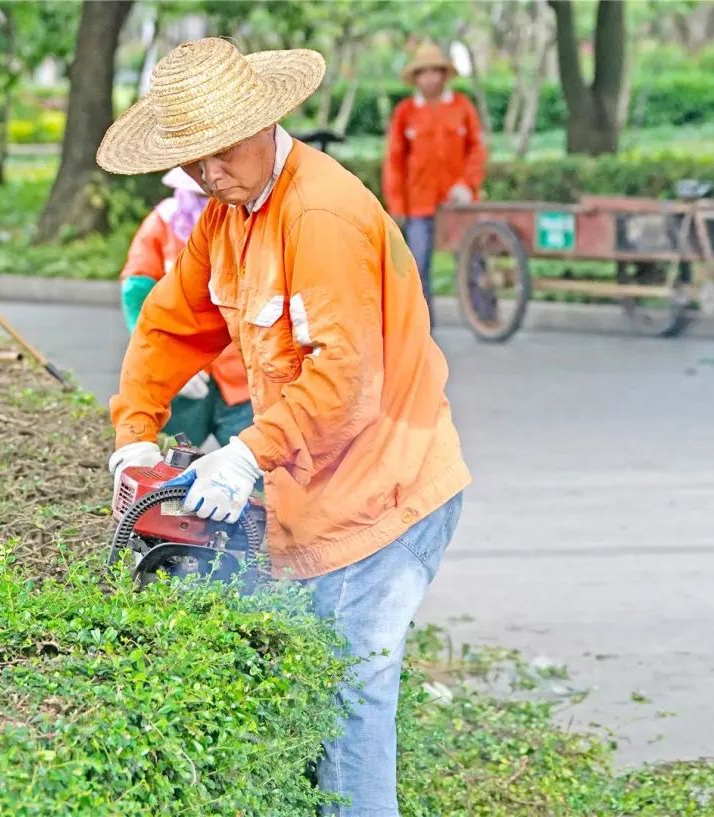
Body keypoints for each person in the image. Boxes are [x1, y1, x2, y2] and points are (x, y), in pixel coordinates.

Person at [98, 38, 470, 816]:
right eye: (189, 161)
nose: (205, 174)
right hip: (318, 490)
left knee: (348, 694)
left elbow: (347, 378)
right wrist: (135, 432)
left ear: (264, 120)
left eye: (217, 153)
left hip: (386, 490)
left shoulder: (320, 215)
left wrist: (245, 454)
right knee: (303, 685)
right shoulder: (229, 216)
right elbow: (170, 324)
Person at [118, 167, 252, 448]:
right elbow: (137, 290)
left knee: (262, 474)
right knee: (166, 467)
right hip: (182, 372)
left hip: (245, 373)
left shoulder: (252, 223)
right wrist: (158, 357)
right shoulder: (163, 223)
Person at [382, 40, 488, 325]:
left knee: (474, 260)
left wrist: (468, 184)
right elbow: (395, 160)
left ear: (444, 74)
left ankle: (485, 316)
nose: (429, 78)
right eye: (423, 72)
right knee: (418, 265)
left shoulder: (462, 106)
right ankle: (421, 325)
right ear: (416, 78)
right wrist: (397, 203)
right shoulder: (405, 113)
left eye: (435, 71)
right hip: (419, 203)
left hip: (458, 202)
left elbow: (477, 150)